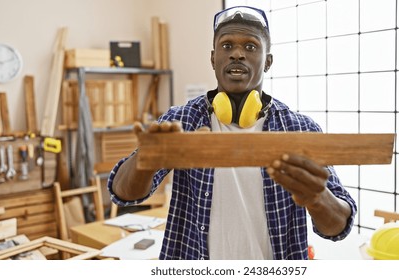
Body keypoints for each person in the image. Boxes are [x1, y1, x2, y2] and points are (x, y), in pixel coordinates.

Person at [108, 5, 357, 260]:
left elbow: (339, 228)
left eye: (250, 47)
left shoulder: (301, 130)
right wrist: (146, 160)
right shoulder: (181, 121)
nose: (237, 53)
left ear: (268, 61)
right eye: (227, 46)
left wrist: (318, 198)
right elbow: (122, 194)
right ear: (213, 58)